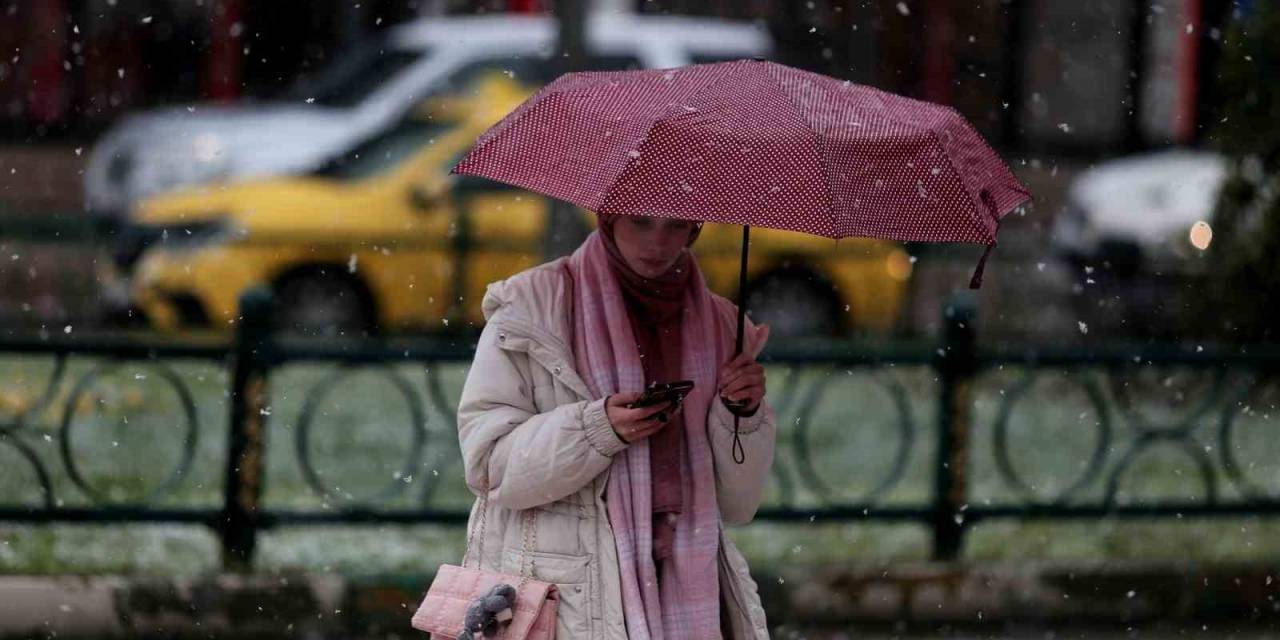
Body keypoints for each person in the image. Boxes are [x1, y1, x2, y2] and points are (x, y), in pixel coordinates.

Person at [457, 212, 776, 639]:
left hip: (690, 593)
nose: (658, 243)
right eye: (641, 222)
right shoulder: (533, 307)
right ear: (607, 217)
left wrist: (742, 413)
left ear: (696, 229)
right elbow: (489, 465)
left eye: (676, 226)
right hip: (571, 597)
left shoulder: (721, 326)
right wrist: (596, 429)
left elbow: (738, 504)